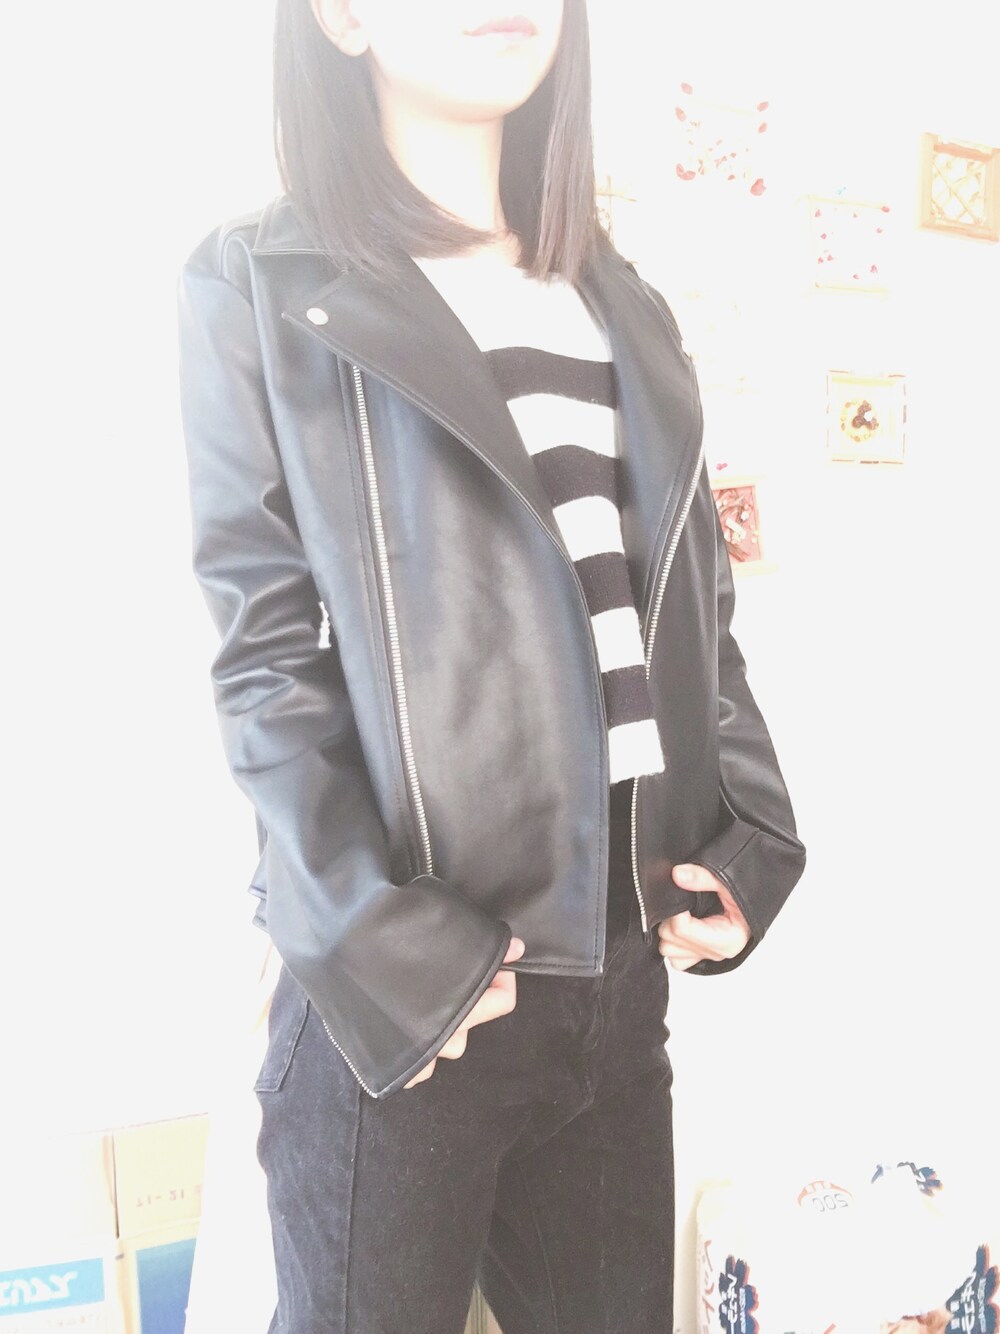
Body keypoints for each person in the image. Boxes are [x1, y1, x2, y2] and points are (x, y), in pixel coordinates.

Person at [175, 1, 806, 1330]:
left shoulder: (626, 303)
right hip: (408, 989)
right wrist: (382, 944)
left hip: (619, 983)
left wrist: (753, 838)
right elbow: (265, 662)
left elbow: (693, 605)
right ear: (340, 14)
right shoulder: (260, 282)